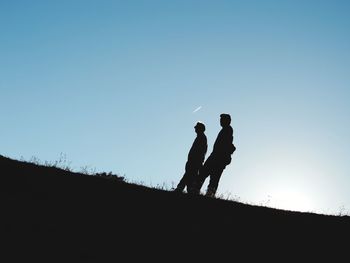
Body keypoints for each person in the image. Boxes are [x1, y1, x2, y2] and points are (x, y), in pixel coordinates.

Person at [193, 113, 236, 197]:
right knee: (211, 176)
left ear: (227, 121)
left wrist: (224, 155)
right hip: (218, 157)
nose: (220, 121)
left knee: (207, 174)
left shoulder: (228, 130)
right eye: (220, 119)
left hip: (217, 157)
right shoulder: (226, 130)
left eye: (222, 119)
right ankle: (205, 192)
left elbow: (226, 145)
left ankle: (201, 191)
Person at [174, 122, 207, 193]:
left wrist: (198, 161)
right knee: (190, 176)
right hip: (193, 161)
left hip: (194, 161)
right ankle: (189, 190)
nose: (195, 128)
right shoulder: (200, 137)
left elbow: (201, 151)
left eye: (197, 127)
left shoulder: (202, 138)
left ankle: (180, 188)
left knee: (188, 174)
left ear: (200, 129)